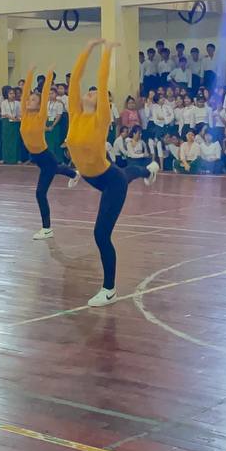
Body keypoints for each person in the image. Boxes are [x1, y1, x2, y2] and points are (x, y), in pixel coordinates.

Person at [65, 39, 160, 308]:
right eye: (89, 92)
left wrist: (106, 53)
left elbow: (102, 80)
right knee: (127, 172)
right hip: (97, 176)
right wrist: (87, 49)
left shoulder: (101, 119)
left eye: (96, 93)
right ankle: (148, 168)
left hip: (109, 182)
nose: (90, 93)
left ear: (103, 102)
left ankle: (109, 290)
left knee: (101, 234)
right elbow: (75, 81)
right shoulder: (75, 114)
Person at [21, 68, 79, 241]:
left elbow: (45, 94)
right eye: (29, 99)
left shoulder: (41, 116)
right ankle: (74, 174)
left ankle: (47, 229)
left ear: (40, 105)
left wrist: (48, 76)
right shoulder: (25, 114)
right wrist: (29, 73)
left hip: (44, 156)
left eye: (33, 100)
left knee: (40, 193)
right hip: (36, 157)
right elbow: (24, 94)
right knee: (56, 169)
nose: (28, 101)